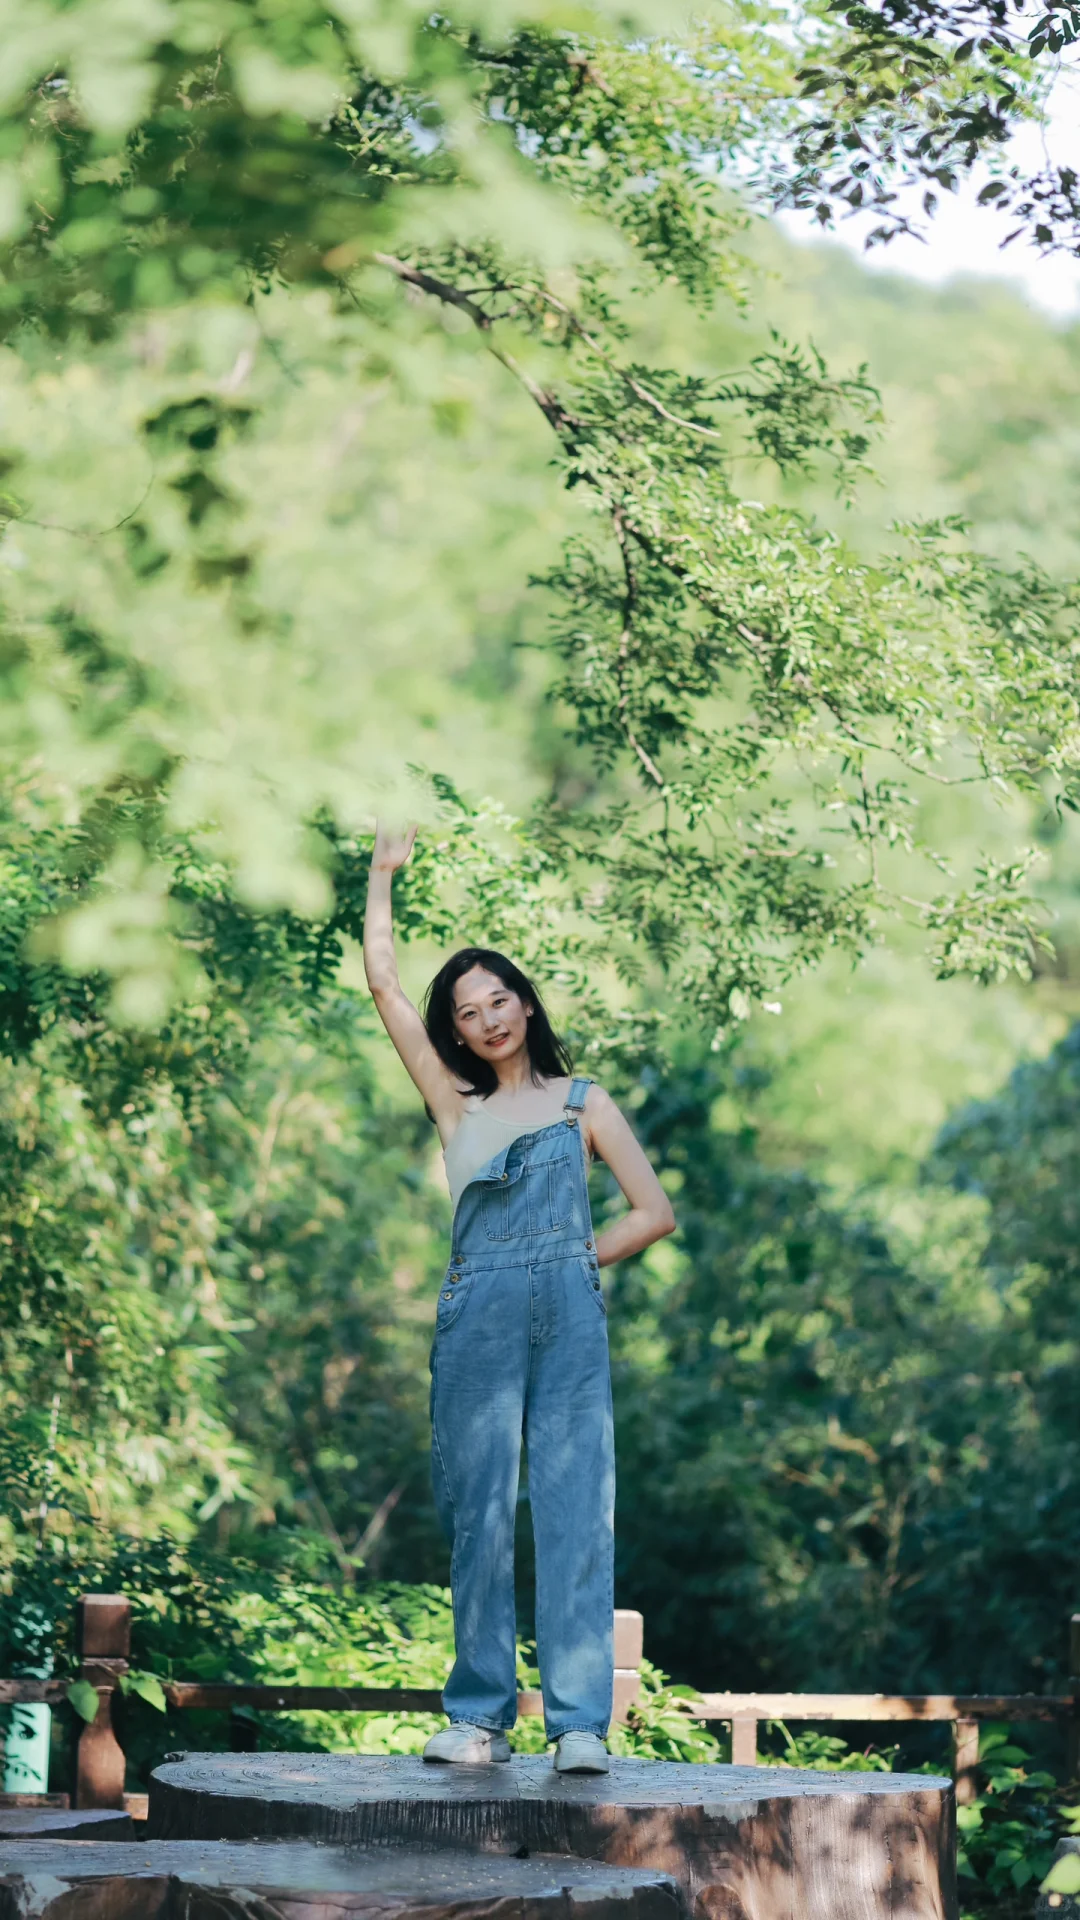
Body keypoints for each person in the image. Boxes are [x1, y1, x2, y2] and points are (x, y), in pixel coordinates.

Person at [363, 822, 676, 1773]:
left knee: (580, 1508)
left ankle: (580, 1726)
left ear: (527, 1005)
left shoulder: (585, 1102)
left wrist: (575, 1258)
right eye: (468, 1011)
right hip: (477, 1323)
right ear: (454, 1030)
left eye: (501, 999)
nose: (489, 1018)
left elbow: (653, 1212)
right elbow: (382, 979)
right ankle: (480, 1720)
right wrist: (383, 872)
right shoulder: (458, 1108)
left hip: (568, 1318)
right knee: (480, 1512)